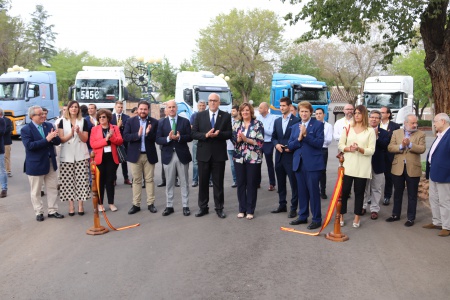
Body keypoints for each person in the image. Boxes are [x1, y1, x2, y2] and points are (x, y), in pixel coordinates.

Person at [191, 92, 232, 218]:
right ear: (208, 102)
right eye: (210, 100)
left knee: (218, 183)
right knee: (203, 183)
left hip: (218, 155)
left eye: (215, 100)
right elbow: (193, 134)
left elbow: (229, 133)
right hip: (203, 154)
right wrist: (206, 135)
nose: (212, 102)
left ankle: (219, 208)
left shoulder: (225, 116)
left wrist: (219, 134)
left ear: (219, 102)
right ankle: (203, 207)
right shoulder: (199, 115)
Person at [21, 106, 64, 221]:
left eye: (44, 114)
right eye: (40, 114)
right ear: (32, 116)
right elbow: (30, 146)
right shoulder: (26, 130)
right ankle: (39, 212)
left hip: (50, 162)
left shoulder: (49, 125)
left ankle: (53, 210)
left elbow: (57, 141)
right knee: (36, 190)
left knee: (52, 188)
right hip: (36, 164)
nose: (43, 116)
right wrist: (47, 139)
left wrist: (54, 137)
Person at [288, 101, 325, 230]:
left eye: (306, 111)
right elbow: (291, 146)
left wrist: (305, 135)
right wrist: (298, 139)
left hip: (313, 165)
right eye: (301, 111)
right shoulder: (294, 126)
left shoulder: (318, 125)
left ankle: (316, 219)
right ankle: (303, 216)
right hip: (299, 164)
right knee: (302, 192)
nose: (303, 113)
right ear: (298, 112)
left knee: (314, 192)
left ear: (311, 112)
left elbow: (319, 143)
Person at [338, 105, 375, 228]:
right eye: (355, 113)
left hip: (362, 167)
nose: (356, 115)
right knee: (344, 192)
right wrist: (349, 148)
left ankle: (357, 217)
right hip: (348, 166)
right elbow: (340, 145)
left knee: (359, 193)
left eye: (359, 113)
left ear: (364, 114)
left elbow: (371, 150)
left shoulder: (370, 131)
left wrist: (359, 149)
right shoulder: (348, 127)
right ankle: (341, 215)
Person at [386, 113, 426, 227]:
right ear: (405, 123)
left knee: (412, 194)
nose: (415, 125)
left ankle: (410, 218)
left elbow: (422, 149)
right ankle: (395, 215)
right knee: (397, 192)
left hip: (413, 168)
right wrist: (401, 146)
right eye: (412, 123)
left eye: (416, 123)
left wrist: (410, 144)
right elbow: (390, 147)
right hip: (398, 167)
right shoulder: (396, 133)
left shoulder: (421, 134)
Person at [156, 100, 193, 216]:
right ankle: (169, 206)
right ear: (166, 109)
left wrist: (180, 138)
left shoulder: (185, 121)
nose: (171, 109)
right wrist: (168, 139)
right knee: (169, 182)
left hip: (182, 154)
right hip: (168, 155)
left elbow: (190, 137)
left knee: (184, 182)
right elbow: (158, 139)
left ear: (177, 108)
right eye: (169, 107)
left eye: (173, 107)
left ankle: (185, 206)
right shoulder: (161, 123)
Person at [123, 100, 159, 215]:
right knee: (136, 181)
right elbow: (126, 137)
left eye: (145, 109)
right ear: (137, 109)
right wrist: (138, 134)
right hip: (135, 156)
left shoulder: (154, 122)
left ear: (148, 110)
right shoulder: (130, 121)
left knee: (149, 180)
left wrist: (148, 133)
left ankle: (151, 204)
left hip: (149, 155)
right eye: (141, 109)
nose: (143, 111)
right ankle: (136, 204)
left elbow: (157, 139)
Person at [58, 100, 90, 216]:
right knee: (68, 181)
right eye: (72, 107)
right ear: (68, 109)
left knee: (81, 180)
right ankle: (71, 206)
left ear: (78, 109)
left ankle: (80, 206)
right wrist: (71, 132)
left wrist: (78, 132)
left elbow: (85, 139)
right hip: (67, 155)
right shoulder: (62, 121)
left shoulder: (83, 121)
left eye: (76, 107)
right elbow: (61, 139)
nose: (74, 109)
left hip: (80, 154)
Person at [232, 103, 264, 220]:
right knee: (241, 184)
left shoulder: (257, 124)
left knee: (251, 184)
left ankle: (250, 210)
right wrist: (238, 140)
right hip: (239, 158)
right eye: (242, 111)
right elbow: (233, 140)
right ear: (240, 113)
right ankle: (242, 209)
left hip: (253, 158)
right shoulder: (236, 124)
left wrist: (247, 140)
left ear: (251, 112)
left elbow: (260, 142)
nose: (245, 112)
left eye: (247, 110)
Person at [271, 97, 300, 218]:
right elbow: (273, 137)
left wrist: (290, 147)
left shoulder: (296, 120)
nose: (281, 108)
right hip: (279, 156)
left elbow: (298, 138)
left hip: (291, 156)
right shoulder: (277, 121)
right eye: (280, 106)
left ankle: (293, 208)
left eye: (283, 106)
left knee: (294, 184)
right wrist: (276, 144)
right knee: (281, 183)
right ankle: (282, 205)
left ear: (289, 106)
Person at [90, 109, 123, 212]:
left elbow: (120, 141)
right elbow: (93, 144)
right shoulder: (94, 129)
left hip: (111, 158)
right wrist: (105, 139)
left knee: (110, 181)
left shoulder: (115, 128)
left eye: (103, 117)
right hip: (100, 159)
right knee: (100, 182)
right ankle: (100, 204)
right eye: (99, 117)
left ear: (108, 118)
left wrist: (111, 137)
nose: (101, 119)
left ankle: (111, 203)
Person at [425, 113, 450, 237]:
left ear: (443, 121)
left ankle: (447, 226)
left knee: (444, 201)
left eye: (435, 121)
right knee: (433, 198)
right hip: (433, 172)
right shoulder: (440, 135)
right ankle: (437, 222)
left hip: (444, 174)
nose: (434, 124)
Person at [362, 110, 390, 220]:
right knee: (363, 187)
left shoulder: (384, 133)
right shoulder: (363, 131)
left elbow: (385, 146)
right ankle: (362, 206)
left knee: (376, 188)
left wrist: (376, 137)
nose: (374, 119)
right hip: (364, 163)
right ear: (368, 118)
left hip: (378, 164)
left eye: (376, 118)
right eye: (372, 117)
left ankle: (374, 209)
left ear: (379, 120)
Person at [379, 106, 401, 206]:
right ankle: (373, 196)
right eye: (380, 112)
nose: (381, 114)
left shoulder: (395, 126)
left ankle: (387, 196)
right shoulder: (375, 124)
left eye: (383, 112)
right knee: (375, 177)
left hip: (389, 154)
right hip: (377, 154)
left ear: (388, 114)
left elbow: (395, 140)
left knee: (389, 177)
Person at [256, 102, 277, 191]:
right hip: (259, 142)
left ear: (266, 109)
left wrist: (262, 129)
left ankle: (272, 183)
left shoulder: (273, 118)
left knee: (269, 163)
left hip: (268, 142)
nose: (259, 109)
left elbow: (272, 132)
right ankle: (257, 182)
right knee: (257, 163)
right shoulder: (258, 118)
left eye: (260, 108)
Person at [111, 100, 131, 185]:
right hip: (114, 141)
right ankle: (113, 178)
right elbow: (110, 129)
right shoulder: (110, 117)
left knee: (124, 161)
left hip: (123, 142)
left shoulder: (126, 117)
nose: (120, 109)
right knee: (114, 161)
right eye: (118, 107)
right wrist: (117, 127)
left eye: (121, 107)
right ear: (115, 107)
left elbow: (127, 129)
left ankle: (126, 178)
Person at [315, 108, 333, 199]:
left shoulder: (328, 126)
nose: (318, 115)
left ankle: (323, 191)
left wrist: (317, 140)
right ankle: (314, 190)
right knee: (314, 171)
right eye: (316, 113)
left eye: (320, 113)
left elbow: (328, 140)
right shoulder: (312, 124)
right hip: (313, 149)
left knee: (322, 171)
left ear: (324, 115)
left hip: (323, 149)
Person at [190, 100, 207, 187]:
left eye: (203, 105)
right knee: (196, 162)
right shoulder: (194, 116)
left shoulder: (209, 115)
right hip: (196, 141)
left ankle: (209, 180)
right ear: (197, 106)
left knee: (209, 161)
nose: (201, 107)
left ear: (205, 106)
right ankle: (195, 180)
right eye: (200, 105)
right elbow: (192, 129)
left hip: (207, 141)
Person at [226, 105, 239, 188]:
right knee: (232, 165)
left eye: (234, 111)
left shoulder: (241, 121)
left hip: (240, 146)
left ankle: (242, 180)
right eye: (231, 111)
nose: (232, 112)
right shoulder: (228, 121)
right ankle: (235, 181)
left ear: (238, 111)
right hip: (230, 146)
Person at [2, 109, 12, 178]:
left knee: (6, 157)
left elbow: (8, 130)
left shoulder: (7, 120)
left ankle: (8, 171)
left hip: (6, 142)